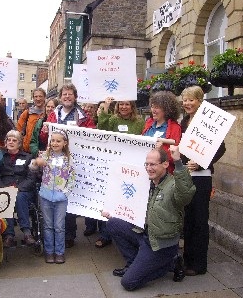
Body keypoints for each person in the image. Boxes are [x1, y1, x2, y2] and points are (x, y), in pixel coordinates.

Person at [103, 146, 196, 291]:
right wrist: (114, 211)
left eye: (153, 164)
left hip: (161, 243)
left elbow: (185, 194)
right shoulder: (146, 183)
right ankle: (133, 264)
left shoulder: (173, 185)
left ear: (165, 164)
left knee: (129, 283)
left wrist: (178, 162)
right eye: (146, 164)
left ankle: (171, 262)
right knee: (113, 223)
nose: (148, 168)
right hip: (145, 233)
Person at [39, 83, 95, 248]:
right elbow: (44, 139)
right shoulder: (52, 115)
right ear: (60, 97)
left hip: (72, 162)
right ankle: (53, 238)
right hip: (53, 164)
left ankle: (69, 235)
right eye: (64, 94)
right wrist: (43, 131)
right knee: (53, 200)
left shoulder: (83, 116)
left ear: (75, 97)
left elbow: (91, 135)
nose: (67, 97)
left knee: (69, 197)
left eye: (70, 94)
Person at [180, 86, 226, 276]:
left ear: (200, 101)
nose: (187, 103)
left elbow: (221, 149)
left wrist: (201, 163)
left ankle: (199, 264)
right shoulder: (184, 122)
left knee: (199, 221)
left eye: (192, 100)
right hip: (186, 178)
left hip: (202, 179)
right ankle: (188, 259)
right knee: (188, 220)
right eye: (185, 100)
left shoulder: (206, 122)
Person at [90, 97, 146, 248]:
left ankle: (130, 233)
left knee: (129, 199)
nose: (124, 107)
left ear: (132, 106)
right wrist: (106, 107)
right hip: (115, 165)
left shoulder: (139, 122)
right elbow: (101, 128)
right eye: (121, 104)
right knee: (110, 199)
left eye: (127, 104)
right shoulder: (113, 120)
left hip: (133, 166)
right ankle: (106, 234)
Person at [33, 130, 75, 264]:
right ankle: (49, 251)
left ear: (65, 143)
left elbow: (72, 178)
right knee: (48, 225)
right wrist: (36, 162)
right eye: (53, 140)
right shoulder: (45, 156)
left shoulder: (69, 158)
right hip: (45, 196)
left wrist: (65, 193)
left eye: (58, 141)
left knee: (59, 226)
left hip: (61, 198)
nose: (55, 143)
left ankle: (59, 252)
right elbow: (32, 167)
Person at [0, 130, 38, 248]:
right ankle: (9, 235)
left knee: (18, 196)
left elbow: (31, 177)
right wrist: (4, 188)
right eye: (9, 140)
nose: (11, 142)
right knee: (6, 195)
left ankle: (27, 232)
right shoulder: (0, 157)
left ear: (19, 143)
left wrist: (17, 188)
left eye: (14, 140)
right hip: (5, 189)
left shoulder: (28, 157)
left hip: (23, 191)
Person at [142, 91, 182, 174]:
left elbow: (175, 156)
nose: (153, 110)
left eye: (157, 107)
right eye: (152, 106)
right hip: (145, 171)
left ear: (167, 110)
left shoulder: (175, 128)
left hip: (163, 175)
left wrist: (161, 151)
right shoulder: (148, 123)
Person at [16, 88, 46, 153]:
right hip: (27, 151)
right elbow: (18, 131)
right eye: (36, 96)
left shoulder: (48, 114)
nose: (38, 99)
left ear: (44, 98)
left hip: (43, 151)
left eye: (40, 96)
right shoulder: (27, 113)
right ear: (33, 98)